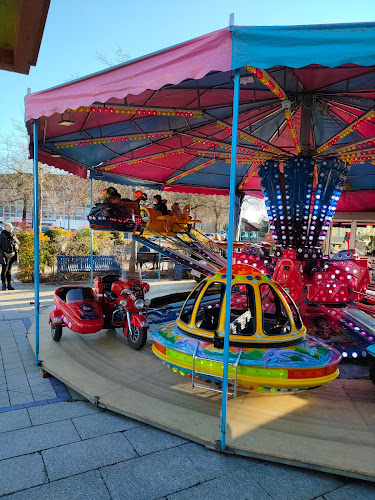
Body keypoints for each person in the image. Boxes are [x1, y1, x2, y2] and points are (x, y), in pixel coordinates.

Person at [0, 223, 20, 290]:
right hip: (5, 255)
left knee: (9, 270)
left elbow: (18, 243)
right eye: (9, 227)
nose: (11, 228)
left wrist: (14, 240)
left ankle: (9, 284)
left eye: (11, 227)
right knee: (4, 270)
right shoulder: (2, 235)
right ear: (5, 228)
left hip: (12, 254)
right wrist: (2, 254)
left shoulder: (13, 235)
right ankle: (3, 284)